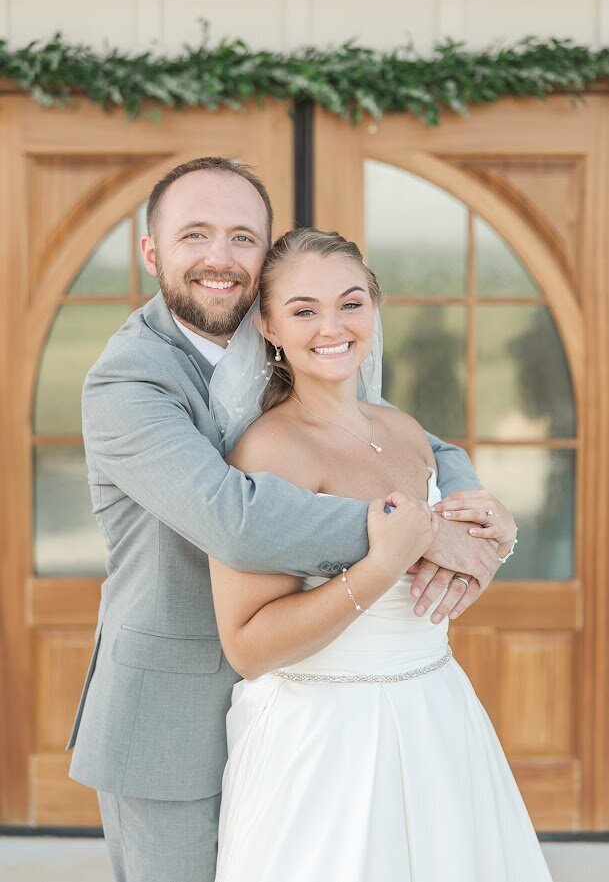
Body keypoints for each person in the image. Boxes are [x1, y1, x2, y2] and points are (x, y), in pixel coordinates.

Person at [67, 157, 503, 882]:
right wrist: (417, 533)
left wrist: (481, 520)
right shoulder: (128, 379)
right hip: (175, 712)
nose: (219, 258)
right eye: (194, 235)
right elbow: (234, 519)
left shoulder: (294, 337)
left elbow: (410, 442)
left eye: (242, 237)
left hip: (303, 709)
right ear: (151, 251)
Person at [208, 228, 549, 881]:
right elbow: (248, 646)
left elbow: (442, 576)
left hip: (439, 715)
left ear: (374, 306)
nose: (332, 326)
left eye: (351, 302)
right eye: (304, 309)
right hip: (326, 740)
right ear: (270, 326)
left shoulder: (403, 431)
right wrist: (380, 564)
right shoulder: (269, 452)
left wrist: (496, 535)